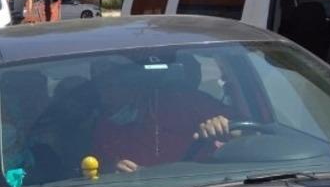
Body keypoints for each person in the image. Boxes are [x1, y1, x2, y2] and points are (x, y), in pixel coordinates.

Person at [89, 61, 230, 172]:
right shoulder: (106, 124)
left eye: (111, 86)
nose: (104, 98)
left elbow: (246, 130)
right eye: (100, 88)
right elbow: (96, 167)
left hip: (205, 184)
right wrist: (112, 169)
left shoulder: (183, 101)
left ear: (134, 85)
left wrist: (221, 125)